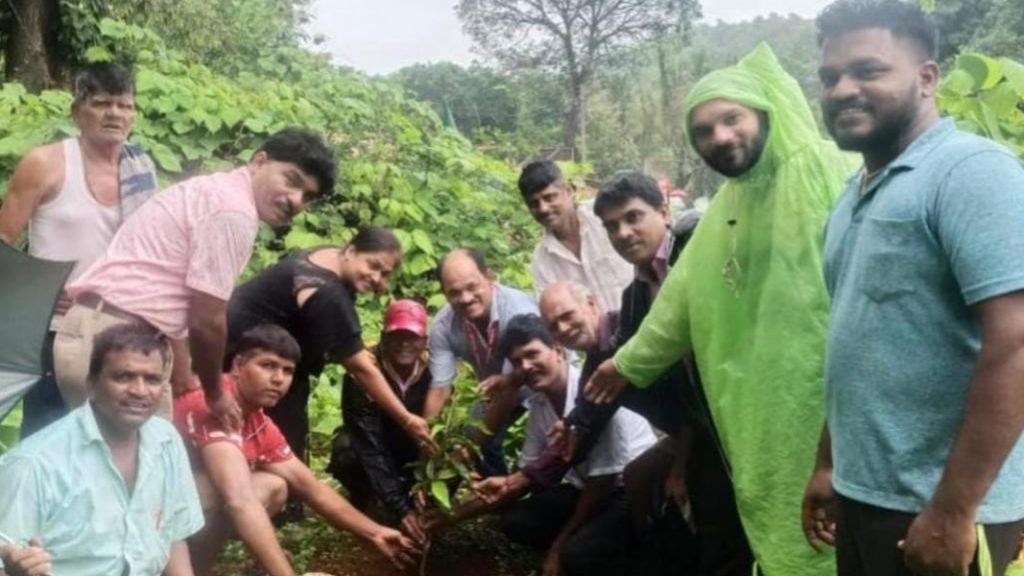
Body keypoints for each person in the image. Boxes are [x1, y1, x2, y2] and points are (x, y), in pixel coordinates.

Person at [584, 43, 854, 576]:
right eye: (703, 131)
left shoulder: (835, 171)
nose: (720, 137)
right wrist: (627, 363)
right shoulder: (725, 211)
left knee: (849, 533)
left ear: (765, 111)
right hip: (761, 415)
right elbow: (679, 301)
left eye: (731, 119)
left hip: (835, 401)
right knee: (782, 525)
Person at [803, 2, 1024, 575]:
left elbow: (1017, 344)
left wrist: (954, 509)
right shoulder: (853, 196)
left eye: (868, 71)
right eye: (830, 77)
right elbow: (858, 342)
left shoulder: (971, 172)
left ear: (926, 78)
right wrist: (831, 464)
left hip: (940, 506)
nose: (843, 89)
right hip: (866, 495)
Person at [55, 127, 335, 434]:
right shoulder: (232, 211)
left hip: (106, 330)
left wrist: (184, 371)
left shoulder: (214, 190)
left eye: (308, 196)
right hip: (115, 340)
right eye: (291, 180)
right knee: (142, 465)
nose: (295, 200)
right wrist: (216, 394)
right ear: (258, 162)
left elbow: (171, 295)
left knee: (132, 461)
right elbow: (207, 320)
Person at [174, 324, 420, 575]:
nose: (278, 379)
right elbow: (240, 502)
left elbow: (311, 489)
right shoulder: (214, 404)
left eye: (287, 370)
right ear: (238, 366)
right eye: (267, 365)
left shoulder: (256, 420)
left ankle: (199, 567)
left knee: (273, 486)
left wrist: (375, 532)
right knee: (228, 493)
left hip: (183, 510)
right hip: (153, 512)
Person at [0, 62, 160, 437]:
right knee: (48, 434)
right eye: (103, 103)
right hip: (54, 329)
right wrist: (37, 295)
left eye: (125, 106)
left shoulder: (139, 169)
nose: (115, 114)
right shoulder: (47, 163)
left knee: (108, 437)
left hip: (120, 327)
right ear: (77, 112)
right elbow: (4, 239)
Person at [438, 314, 656, 576]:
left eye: (532, 354)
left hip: (626, 489)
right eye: (517, 362)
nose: (526, 366)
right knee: (517, 521)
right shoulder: (540, 406)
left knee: (576, 557)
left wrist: (558, 547)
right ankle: (588, 538)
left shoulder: (593, 394)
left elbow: (603, 482)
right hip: (583, 486)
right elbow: (527, 476)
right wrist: (452, 514)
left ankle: (611, 549)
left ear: (557, 351)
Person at [0, 323, 204, 576]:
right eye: (123, 377)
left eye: (152, 379)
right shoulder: (32, 464)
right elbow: (7, 558)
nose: (140, 391)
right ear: (92, 383)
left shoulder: (166, 439)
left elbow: (173, 537)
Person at [226, 227, 431, 461]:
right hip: (245, 362)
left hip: (250, 347)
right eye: (372, 266)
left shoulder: (326, 255)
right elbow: (360, 368)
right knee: (282, 449)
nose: (376, 278)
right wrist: (406, 418)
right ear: (351, 251)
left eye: (385, 274)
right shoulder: (329, 293)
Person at [423, 248, 539, 475]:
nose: (465, 298)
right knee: (471, 432)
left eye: (472, 287)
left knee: (485, 442)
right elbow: (439, 389)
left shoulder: (517, 311)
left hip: (541, 381)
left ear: (489, 277)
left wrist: (472, 447)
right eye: (454, 292)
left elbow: (511, 390)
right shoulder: (444, 325)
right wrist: (426, 443)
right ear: (444, 293)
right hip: (497, 387)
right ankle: (497, 497)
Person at [328, 299, 432, 542]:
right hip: (375, 439)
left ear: (424, 341)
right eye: (396, 336)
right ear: (383, 338)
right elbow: (367, 441)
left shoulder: (435, 370)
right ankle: (365, 497)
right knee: (347, 452)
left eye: (412, 337)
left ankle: (428, 506)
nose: (404, 344)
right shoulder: (364, 371)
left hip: (413, 446)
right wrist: (400, 507)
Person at [519, 161, 633, 313]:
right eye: (534, 203)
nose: (543, 208)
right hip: (595, 336)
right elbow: (552, 315)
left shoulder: (605, 219)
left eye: (549, 197)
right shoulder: (542, 262)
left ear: (568, 190)